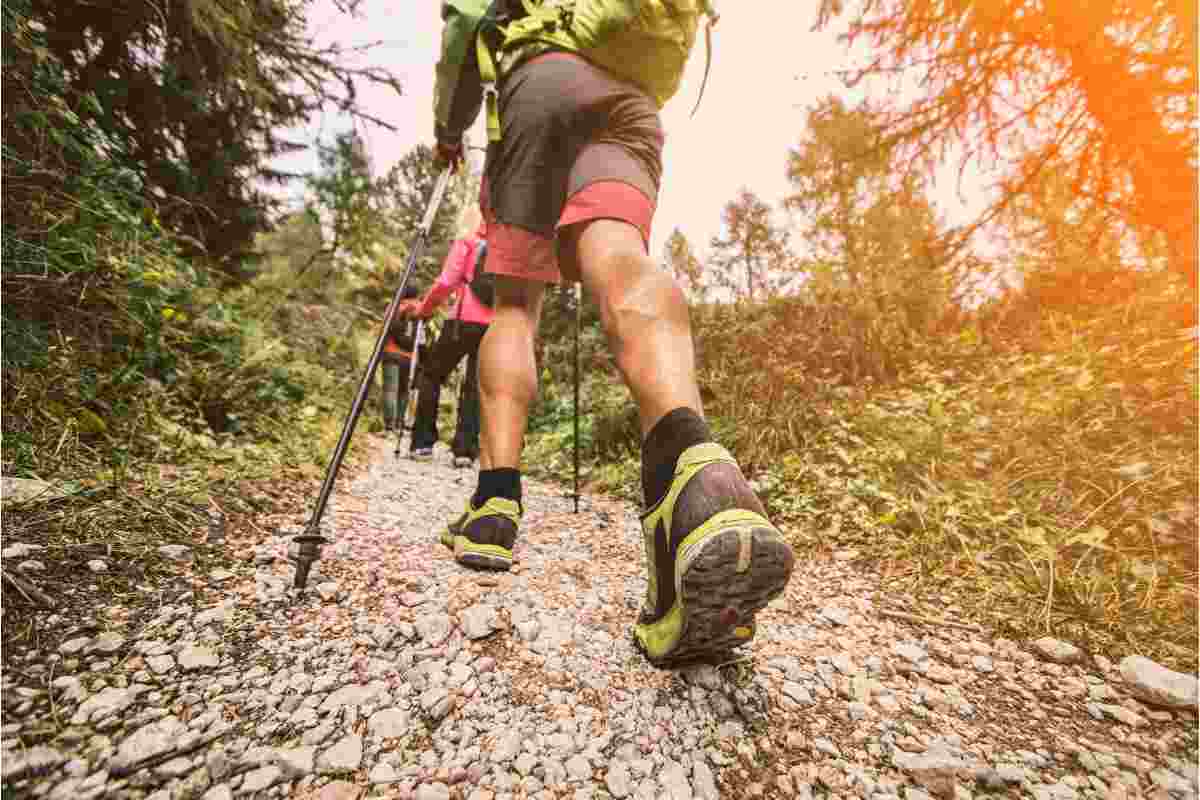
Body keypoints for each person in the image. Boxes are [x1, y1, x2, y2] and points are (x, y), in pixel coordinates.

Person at [430, 1, 796, 666]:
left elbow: (464, 23)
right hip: (628, 98)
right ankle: (698, 469)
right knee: (622, 257)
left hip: (540, 86)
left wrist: (447, 127)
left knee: (514, 306)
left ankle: (494, 502)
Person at [398, 213, 493, 467]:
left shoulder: (468, 242)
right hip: (494, 327)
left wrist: (425, 310)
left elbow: (447, 281)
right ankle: (464, 451)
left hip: (461, 322)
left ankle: (422, 443)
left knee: (432, 374)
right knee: (475, 385)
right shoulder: (507, 245)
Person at [380, 285, 421, 432]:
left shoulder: (394, 306)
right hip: (410, 357)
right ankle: (400, 423)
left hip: (391, 352)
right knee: (404, 391)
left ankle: (389, 426)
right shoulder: (421, 309)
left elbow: (385, 328)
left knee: (390, 390)